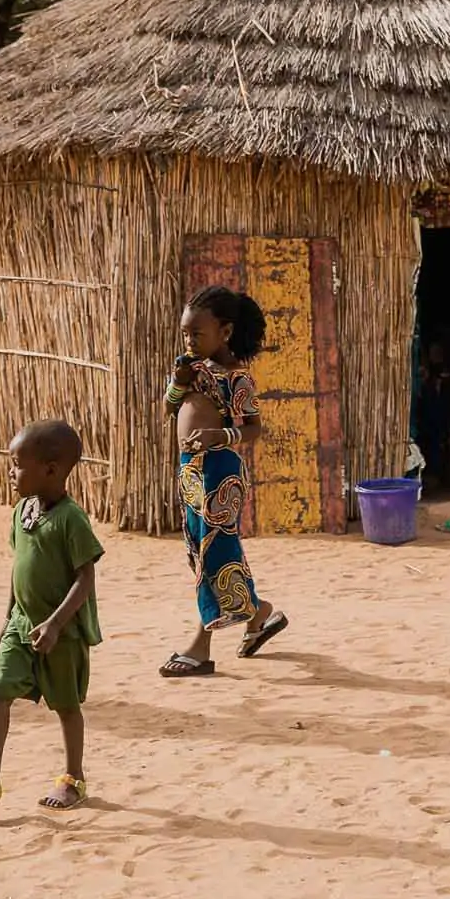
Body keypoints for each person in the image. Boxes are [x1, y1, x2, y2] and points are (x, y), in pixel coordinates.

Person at [0, 420, 102, 813]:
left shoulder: (71, 519)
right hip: (21, 626)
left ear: (50, 469)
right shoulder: (21, 512)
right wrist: (6, 621)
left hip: (60, 633)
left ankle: (73, 778)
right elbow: (19, 572)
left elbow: (85, 578)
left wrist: (56, 623)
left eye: (17, 464)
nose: (11, 472)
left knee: (65, 706)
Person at [159, 286, 288, 677]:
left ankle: (200, 648)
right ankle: (261, 614)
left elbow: (253, 429)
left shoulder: (238, 379)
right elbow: (168, 408)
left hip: (220, 474)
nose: (189, 340)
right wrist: (178, 382)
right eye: (185, 333)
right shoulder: (192, 368)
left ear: (225, 332)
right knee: (201, 553)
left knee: (216, 555)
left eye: (196, 334)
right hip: (191, 470)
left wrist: (220, 436)